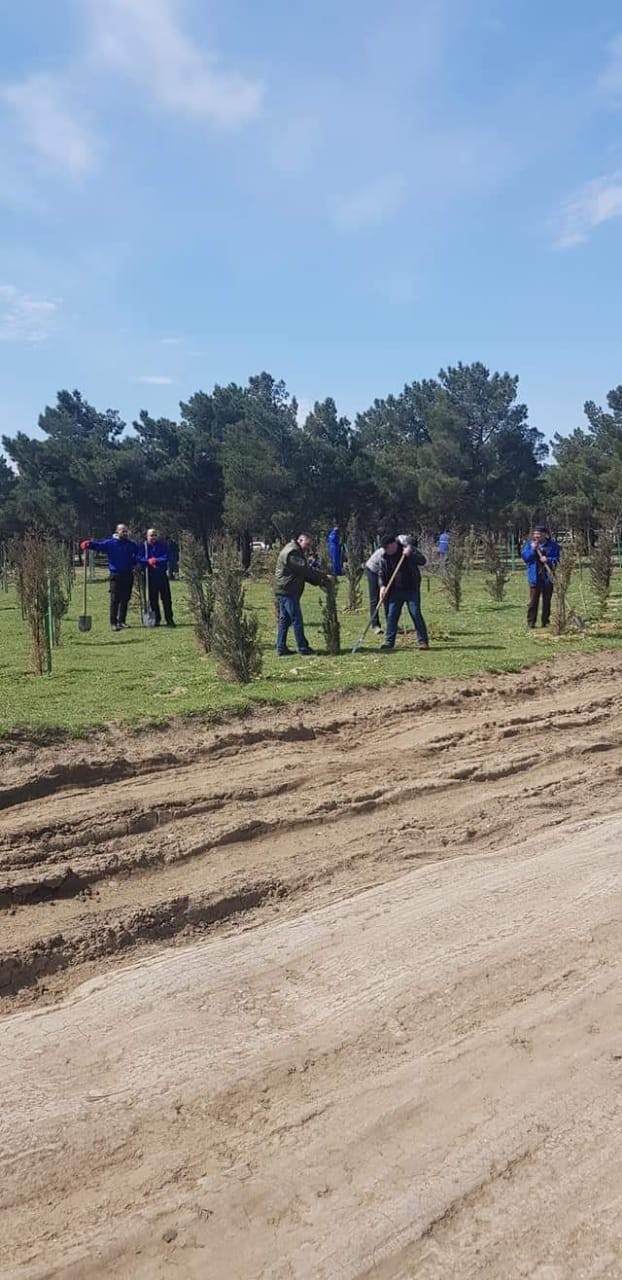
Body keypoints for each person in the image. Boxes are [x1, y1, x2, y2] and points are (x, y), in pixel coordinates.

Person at [274, 534, 332, 656]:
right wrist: (324, 576)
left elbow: (302, 574)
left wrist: (318, 582)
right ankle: (303, 648)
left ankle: (281, 648)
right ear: (300, 541)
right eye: (307, 544)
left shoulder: (296, 551)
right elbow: (305, 570)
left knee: (285, 620)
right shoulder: (292, 552)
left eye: (310, 545)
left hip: (285, 589)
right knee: (297, 619)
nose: (308, 547)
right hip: (287, 591)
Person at [81, 524, 139, 632]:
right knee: (115, 599)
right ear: (117, 532)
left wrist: (139, 561)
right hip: (115, 575)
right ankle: (113, 623)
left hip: (128, 574)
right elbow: (98, 545)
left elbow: (138, 554)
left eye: (126, 531)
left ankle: (122, 621)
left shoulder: (131, 544)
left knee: (125, 599)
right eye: (123, 531)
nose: (125, 533)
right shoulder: (110, 543)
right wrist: (88, 544)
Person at [378, 533, 429, 651]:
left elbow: (422, 561)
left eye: (387, 547)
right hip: (395, 591)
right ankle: (389, 642)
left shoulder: (407, 549)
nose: (385, 550)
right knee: (391, 616)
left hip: (411, 589)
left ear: (393, 544)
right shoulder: (385, 557)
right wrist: (382, 586)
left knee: (415, 613)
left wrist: (410, 553)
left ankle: (423, 641)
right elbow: (381, 573)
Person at [521, 524, 561, 628]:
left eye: (539, 534)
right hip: (534, 577)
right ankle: (531, 622)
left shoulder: (553, 546)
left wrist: (548, 560)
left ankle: (545, 622)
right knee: (533, 601)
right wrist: (532, 550)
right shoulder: (530, 545)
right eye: (535, 534)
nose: (537, 537)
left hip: (548, 577)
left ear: (545, 535)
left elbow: (557, 560)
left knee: (547, 601)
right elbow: (525, 558)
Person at [138, 528, 175, 627]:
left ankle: (169, 619)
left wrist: (156, 560)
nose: (153, 537)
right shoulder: (143, 546)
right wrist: (148, 561)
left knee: (166, 598)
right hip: (149, 576)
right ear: (147, 536)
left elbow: (167, 556)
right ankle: (156, 619)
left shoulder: (162, 545)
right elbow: (138, 558)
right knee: (153, 599)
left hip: (161, 575)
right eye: (151, 535)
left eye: (155, 535)